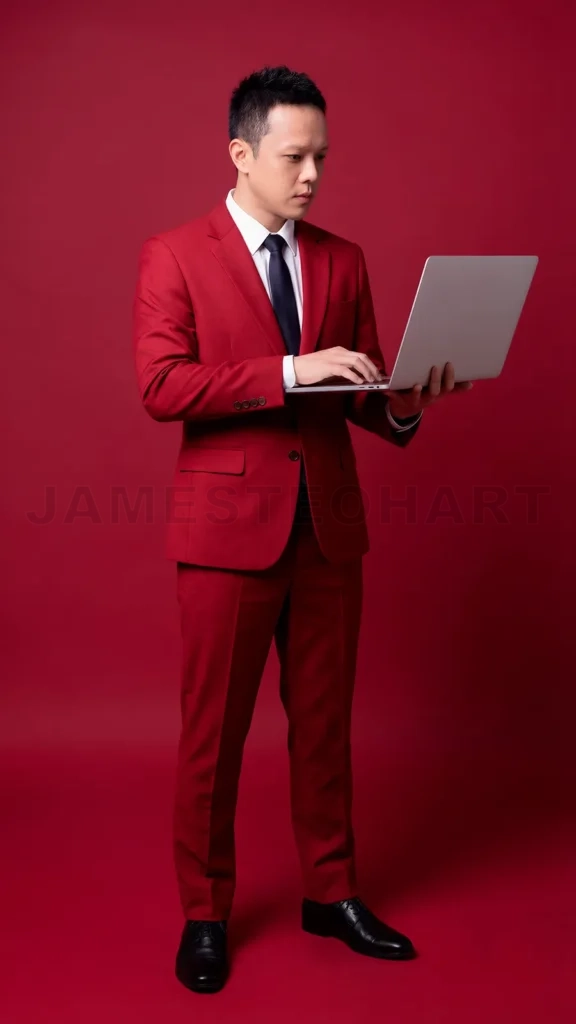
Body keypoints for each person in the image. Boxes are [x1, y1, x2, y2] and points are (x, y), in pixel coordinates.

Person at [132, 63, 472, 995]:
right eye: (295, 156)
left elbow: (359, 397)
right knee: (214, 736)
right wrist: (287, 368)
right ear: (241, 155)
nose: (314, 173)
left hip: (328, 529)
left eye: (323, 155)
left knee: (325, 729)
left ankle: (332, 894)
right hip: (224, 535)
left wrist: (410, 397)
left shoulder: (343, 258)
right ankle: (205, 913)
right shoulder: (174, 254)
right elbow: (161, 387)